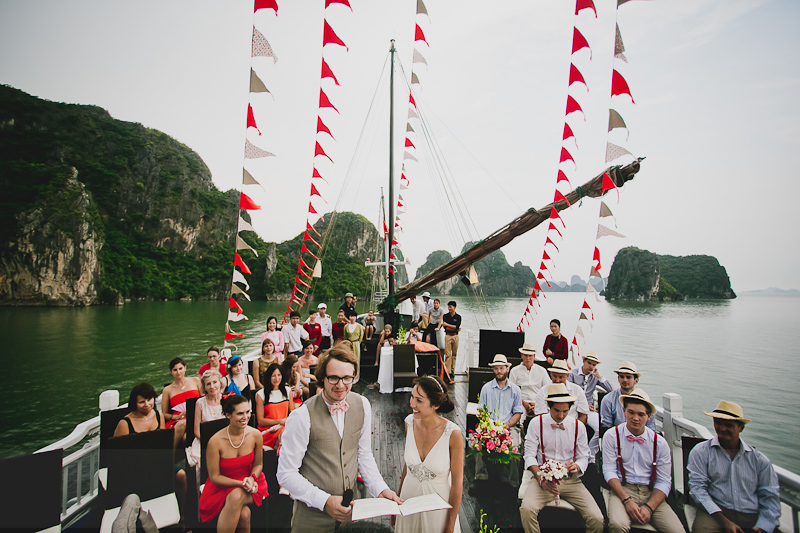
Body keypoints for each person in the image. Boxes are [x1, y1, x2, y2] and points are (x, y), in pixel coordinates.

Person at [277, 345, 402, 532]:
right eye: (333, 378)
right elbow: (286, 474)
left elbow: (364, 454)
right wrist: (325, 501)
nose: (341, 385)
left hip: (353, 513)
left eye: (347, 378)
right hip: (312, 518)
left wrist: (380, 489)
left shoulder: (362, 405)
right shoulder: (302, 416)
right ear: (322, 377)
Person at [520, 383, 604, 533]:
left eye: (565, 411)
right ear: (548, 406)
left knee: (597, 519)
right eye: (556, 410)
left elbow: (584, 456)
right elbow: (529, 456)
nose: (560, 416)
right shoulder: (535, 424)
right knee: (526, 510)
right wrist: (540, 479)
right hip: (543, 479)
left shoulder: (578, 426)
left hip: (571, 481)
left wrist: (577, 466)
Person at [687, 400, 780, 533]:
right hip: (715, 512)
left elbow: (770, 497)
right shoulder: (701, 452)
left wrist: (762, 527)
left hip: (750, 515)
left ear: (741, 428)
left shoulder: (759, 460)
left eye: (729, 425)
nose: (722, 429)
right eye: (718, 423)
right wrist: (725, 522)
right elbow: (697, 489)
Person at [602, 389, 683, 533]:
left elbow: (664, 481)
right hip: (622, 489)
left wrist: (649, 507)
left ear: (649, 417)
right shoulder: (612, 436)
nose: (635, 418)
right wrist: (627, 500)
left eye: (641, 414)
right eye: (631, 412)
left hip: (651, 492)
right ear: (624, 411)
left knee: (677, 530)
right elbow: (609, 471)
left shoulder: (660, 443)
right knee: (617, 525)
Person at [395, 375, 463, 533]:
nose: (412, 404)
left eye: (419, 400)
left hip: (438, 508)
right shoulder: (409, 423)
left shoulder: (452, 434)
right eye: (412, 397)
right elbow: (408, 466)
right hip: (408, 499)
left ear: (436, 404)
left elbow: (457, 484)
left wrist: (450, 524)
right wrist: (397, 502)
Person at [115, 383, 187, 526]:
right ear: (134, 403)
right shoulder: (125, 423)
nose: (147, 404)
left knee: (181, 476)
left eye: (149, 400)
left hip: (156, 462)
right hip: (134, 467)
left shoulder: (158, 415)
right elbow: (117, 453)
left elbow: (160, 442)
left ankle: (182, 514)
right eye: (142, 402)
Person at [198, 395, 268, 528]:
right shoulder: (215, 442)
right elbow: (214, 477)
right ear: (228, 415)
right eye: (240, 413)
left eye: (247, 412)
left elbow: (258, 464)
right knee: (244, 514)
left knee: (236, 496)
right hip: (222, 486)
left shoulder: (256, 435)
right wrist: (240, 483)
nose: (245, 417)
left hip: (252, 483)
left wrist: (252, 479)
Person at [476, 354, 524, 485]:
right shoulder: (486, 388)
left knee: (515, 447)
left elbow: (518, 412)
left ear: (507, 369)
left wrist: (507, 425)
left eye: (501, 368)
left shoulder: (515, 390)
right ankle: (480, 477)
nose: (499, 371)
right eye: (496, 368)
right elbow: (482, 411)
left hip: (509, 426)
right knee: (479, 444)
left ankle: (513, 481)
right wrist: (490, 427)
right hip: (490, 426)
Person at [600, 361, 656, 434]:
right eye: (622, 377)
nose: (625, 380)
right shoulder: (608, 400)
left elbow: (651, 429)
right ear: (618, 379)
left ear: (636, 381)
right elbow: (606, 427)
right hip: (617, 438)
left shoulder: (647, 403)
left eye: (628, 377)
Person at [509, 343, 551, 432]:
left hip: (539, 401)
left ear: (534, 356)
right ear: (521, 356)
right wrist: (524, 403)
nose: (528, 358)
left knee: (544, 420)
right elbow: (512, 392)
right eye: (526, 355)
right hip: (521, 402)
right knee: (518, 419)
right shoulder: (514, 371)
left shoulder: (542, 371)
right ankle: (520, 440)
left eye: (530, 356)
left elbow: (548, 390)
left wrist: (538, 404)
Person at [161, 357, 202, 448]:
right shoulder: (167, 390)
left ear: (185, 368)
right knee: (182, 427)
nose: (178, 372)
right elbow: (164, 413)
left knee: (184, 438)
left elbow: (203, 398)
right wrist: (178, 417)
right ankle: (170, 454)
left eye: (180, 368)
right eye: (175, 370)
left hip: (197, 416)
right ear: (171, 372)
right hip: (178, 420)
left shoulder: (195, 381)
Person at [533, 360, 589, 424]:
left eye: (560, 377)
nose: (557, 380)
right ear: (550, 374)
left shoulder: (577, 390)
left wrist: (575, 429)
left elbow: (583, 416)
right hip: (548, 427)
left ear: (567, 376)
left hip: (572, 427)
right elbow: (540, 416)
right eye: (554, 376)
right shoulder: (543, 391)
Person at [255, 363, 295, 450]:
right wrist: (280, 421)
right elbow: (261, 421)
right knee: (285, 437)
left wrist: (283, 424)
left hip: (284, 427)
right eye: (273, 376)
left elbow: (292, 413)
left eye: (279, 375)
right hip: (269, 430)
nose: (277, 379)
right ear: (269, 377)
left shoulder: (287, 391)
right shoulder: (261, 394)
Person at [191, 369, 225, 468]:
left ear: (220, 383)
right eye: (208, 384)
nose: (212, 386)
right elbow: (197, 431)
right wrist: (211, 443)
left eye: (215, 382)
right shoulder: (200, 403)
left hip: (225, 440)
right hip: (204, 441)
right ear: (205, 387)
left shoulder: (227, 399)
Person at [441, 300, 462, 377]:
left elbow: (456, 327)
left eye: (450, 307)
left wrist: (449, 325)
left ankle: (453, 370)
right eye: (448, 307)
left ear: (454, 307)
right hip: (448, 336)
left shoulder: (458, 317)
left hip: (456, 336)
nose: (449, 308)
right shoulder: (445, 316)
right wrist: (454, 327)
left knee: (454, 354)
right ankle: (448, 371)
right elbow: (446, 328)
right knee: (447, 354)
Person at [343, 313, 364, 379]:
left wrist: (357, 343)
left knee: (356, 359)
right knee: (348, 359)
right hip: (348, 343)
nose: (352, 318)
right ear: (349, 317)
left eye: (354, 316)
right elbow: (345, 336)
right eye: (351, 316)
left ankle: (356, 376)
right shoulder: (346, 326)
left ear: (356, 317)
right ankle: (348, 375)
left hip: (356, 343)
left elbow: (361, 336)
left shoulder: (359, 326)